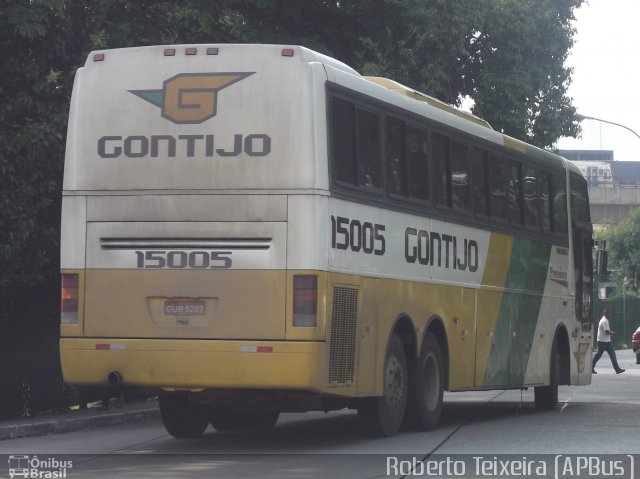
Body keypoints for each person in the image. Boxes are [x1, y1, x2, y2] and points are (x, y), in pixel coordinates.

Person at [592, 309, 625, 374]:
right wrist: (612, 333)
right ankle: (591, 368)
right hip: (602, 341)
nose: (610, 315)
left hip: (606, 341)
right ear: (606, 314)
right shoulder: (604, 321)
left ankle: (617, 369)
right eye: (609, 314)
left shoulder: (604, 320)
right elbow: (606, 332)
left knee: (612, 355)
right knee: (598, 355)